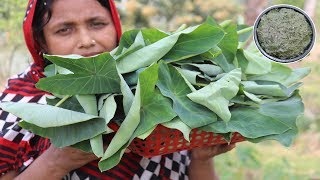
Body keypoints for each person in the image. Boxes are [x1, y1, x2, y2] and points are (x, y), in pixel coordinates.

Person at [0, 0, 235, 179]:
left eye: (97, 24)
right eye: (64, 29)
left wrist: (201, 158)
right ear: (41, 41)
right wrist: (56, 162)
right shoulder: (19, 104)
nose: (86, 40)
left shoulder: (155, 83)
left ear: (115, 25)